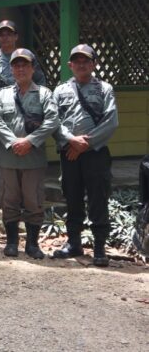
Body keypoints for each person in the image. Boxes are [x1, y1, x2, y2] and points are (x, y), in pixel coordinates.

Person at [52, 44, 118, 267]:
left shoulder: (104, 89)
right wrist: (71, 140)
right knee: (72, 196)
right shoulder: (60, 91)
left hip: (95, 153)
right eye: (77, 61)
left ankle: (99, 247)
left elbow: (111, 121)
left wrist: (85, 144)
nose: (81, 65)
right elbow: (54, 121)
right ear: (69, 65)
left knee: (98, 198)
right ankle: (74, 243)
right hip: (69, 152)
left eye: (86, 61)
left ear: (94, 64)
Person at [0, 49, 59, 259]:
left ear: (33, 68)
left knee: (33, 201)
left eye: (25, 65)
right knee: (8, 200)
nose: (20, 69)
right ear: (11, 69)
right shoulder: (2, 94)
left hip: (33, 159)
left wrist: (30, 141)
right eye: (16, 65)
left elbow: (52, 120)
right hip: (9, 158)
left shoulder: (44, 94)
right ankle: (11, 242)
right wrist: (13, 142)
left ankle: (32, 244)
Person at [0, 20, 46, 195]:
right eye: (1, 34)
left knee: (25, 149)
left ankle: (25, 194)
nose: (5, 37)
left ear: (16, 36)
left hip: (23, 114)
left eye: (9, 34)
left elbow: (40, 82)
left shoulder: (26, 57)